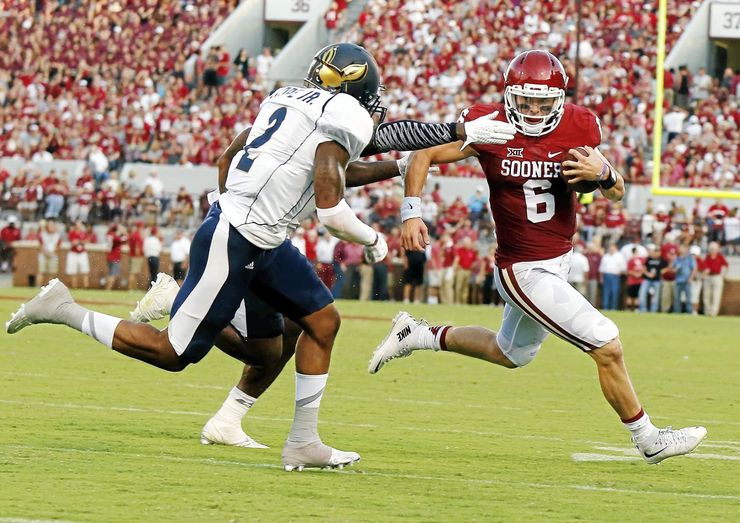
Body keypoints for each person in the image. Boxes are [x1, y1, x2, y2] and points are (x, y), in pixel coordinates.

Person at [8, 43, 518, 467]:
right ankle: (64, 309)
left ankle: (301, 442)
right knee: (173, 354)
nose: (374, 109)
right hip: (237, 238)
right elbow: (335, 205)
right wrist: (375, 238)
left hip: (262, 237)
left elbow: (251, 154)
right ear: (356, 93)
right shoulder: (341, 118)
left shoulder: (288, 99)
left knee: (316, 324)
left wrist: (432, 144)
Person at [368, 50, 705, 464]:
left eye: (542, 102)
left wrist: (605, 175)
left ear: (559, 99)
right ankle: (648, 438)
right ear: (510, 95)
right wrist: (412, 212)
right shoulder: (487, 124)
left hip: (559, 258)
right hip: (523, 268)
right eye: (524, 100)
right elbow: (423, 154)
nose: (532, 110)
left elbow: (615, 192)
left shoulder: (580, 125)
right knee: (607, 344)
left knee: (510, 353)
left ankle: (417, 335)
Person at [701, 242, 728, 316]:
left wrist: (723, 275)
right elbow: (703, 267)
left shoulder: (720, 257)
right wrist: (704, 273)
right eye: (711, 248)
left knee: (716, 296)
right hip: (708, 277)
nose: (712, 250)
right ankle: (707, 312)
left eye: (714, 249)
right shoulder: (707, 257)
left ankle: (714, 312)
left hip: (717, 277)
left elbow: (726, 266)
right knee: (706, 295)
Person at [638, 245, 664, 313]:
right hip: (647, 279)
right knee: (642, 294)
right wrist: (648, 274)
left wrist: (662, 272)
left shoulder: (662, 260)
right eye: (656, 251)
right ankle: (642, 310)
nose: (657, 253)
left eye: (658, 251)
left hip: (657, 280)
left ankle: (654, 311)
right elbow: (643, 268)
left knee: (656, 296)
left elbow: (667, 268)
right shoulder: (648, 259)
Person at [600, 244, 625, 310]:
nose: (611, 249)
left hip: (615, 276)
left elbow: (623, 268)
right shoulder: (606, 256)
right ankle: (605, 307)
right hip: (606, 276)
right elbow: (601, 268)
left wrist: (620, 273)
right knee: (606, 292)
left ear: (616, 248)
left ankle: (613, 308)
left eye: (612, 248)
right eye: (610, 247)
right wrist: (601, 278)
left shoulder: (620, 256)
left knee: (614, 292)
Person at [672, 244, 696, 314]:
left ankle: (689, 312)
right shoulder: (677, 259)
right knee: (677, 298)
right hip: (678, 281)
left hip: (687, 281)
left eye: (683, 248)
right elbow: (672, 269)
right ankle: (677, 312)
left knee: (688, 297)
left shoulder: (690, 259)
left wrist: (691, 278)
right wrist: (675, 270)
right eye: (680, 248)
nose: (681, 250)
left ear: (686, 250)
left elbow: (694, 269)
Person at [65, 221, 90, 289]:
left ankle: (86, 287)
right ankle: (74, 286)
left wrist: (78, 241)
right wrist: (80, 241)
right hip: (73, 253)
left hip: (82, 253)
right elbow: (72, 242)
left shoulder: (84, 233)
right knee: (73, 271)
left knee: (85, 270)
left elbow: (87, 240)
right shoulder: (72, 233)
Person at [37, 220, 61, 287]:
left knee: (52, 273)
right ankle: (38, 287)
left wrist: (52, 252)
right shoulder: (43, 234)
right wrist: (46, 252)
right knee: (41, 271)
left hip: (53, 254)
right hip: (43, 254)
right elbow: (40, 245)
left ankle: (49, 287)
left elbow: (58, 246)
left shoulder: (57, 235)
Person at [105, 223, 127, 290]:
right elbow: (125, 239)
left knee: (110, 273)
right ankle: (108, 289)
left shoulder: (109, 234)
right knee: (112, 274)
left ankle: (107, 288)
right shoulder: (115, 237)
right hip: (115, 257)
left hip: (110, 256)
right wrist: (123, 232)